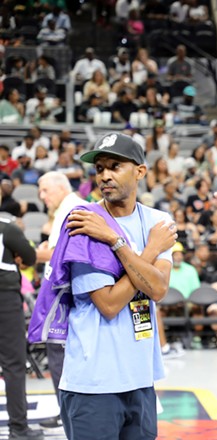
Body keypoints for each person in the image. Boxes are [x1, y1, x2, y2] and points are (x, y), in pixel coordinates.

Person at [58, 133, 176, 438]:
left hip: (140, 379)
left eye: (115, 166)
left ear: (140, 171)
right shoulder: (85, 222)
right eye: (99, 169)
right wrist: (132, 246)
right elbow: (109, 304)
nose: (105, 176)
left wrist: (116, 243)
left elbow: (158, 289)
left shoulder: (158, 221)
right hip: (94, 383)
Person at [35, 172, 86, 429]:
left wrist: (28, 252)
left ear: (60, 186)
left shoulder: (71, 207)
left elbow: (56, 255)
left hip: (65, 295)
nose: (41, 196)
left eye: (45, 190)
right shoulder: (69, 206)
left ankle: (68, 413)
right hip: (64, 292)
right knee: (59, 355)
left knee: (59, 354)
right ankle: (67, 411)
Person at [0, 217, 42, 440]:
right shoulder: (7, 228)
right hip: (4, 299)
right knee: (13, 365)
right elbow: (30, 256)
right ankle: (18, 428)